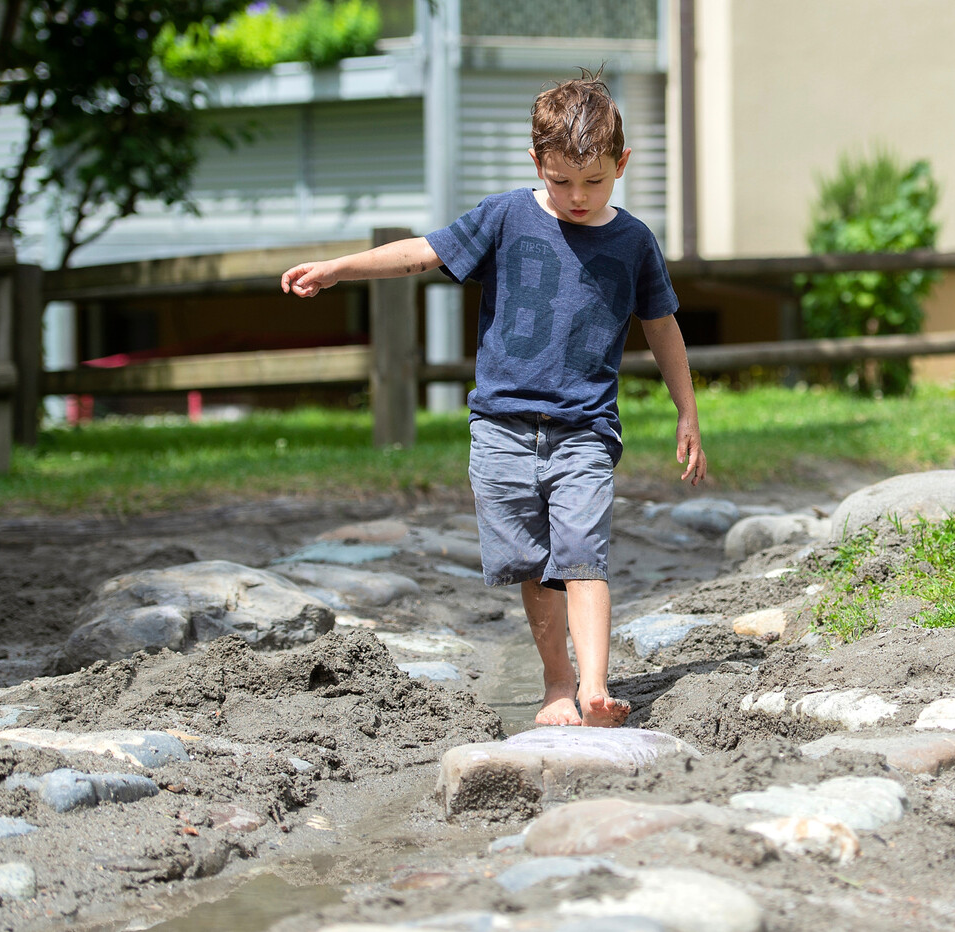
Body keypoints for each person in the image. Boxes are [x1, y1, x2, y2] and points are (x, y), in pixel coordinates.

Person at [281, 70, 706, 728]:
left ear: (621, 165)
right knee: (532, 563)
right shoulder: (505, 217)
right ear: (537, 163)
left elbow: (662, 327)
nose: (577, 197)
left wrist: (687, 412)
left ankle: (595, 686)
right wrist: (340, 268)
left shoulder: (634, 242)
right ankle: (557, 684)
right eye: (561, 181)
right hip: (502, 430)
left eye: (594, 182)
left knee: (582, 554)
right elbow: (421, 253)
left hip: (584, 430)